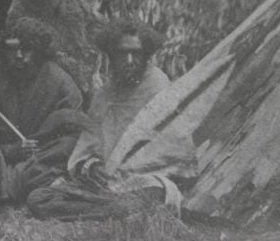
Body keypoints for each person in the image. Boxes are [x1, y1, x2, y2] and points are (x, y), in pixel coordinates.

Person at [27, 21, 195, 220]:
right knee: (38, 198)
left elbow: (177, 155)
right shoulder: (104, 95)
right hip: (105, 183)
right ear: (111, 55)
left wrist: (133, 171)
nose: (129, 60)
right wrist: (92, 167)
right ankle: (119, 210)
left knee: (155, 190)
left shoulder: (159, 86)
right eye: (122, 53)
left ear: (146, 54)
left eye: (136, 53)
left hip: (144, 181)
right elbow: (86, 147)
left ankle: (115, 208)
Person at [0, 18, 87, 202]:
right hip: (5, 160)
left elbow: (74, 130)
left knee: (69, 145)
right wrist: (11, 150)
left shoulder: (60, 83)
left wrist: (42, 149)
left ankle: (16, 182)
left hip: (45, 157)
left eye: (26, 49)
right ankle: (28, 182)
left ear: (40, 51)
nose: (18, 55)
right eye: (11, 49)